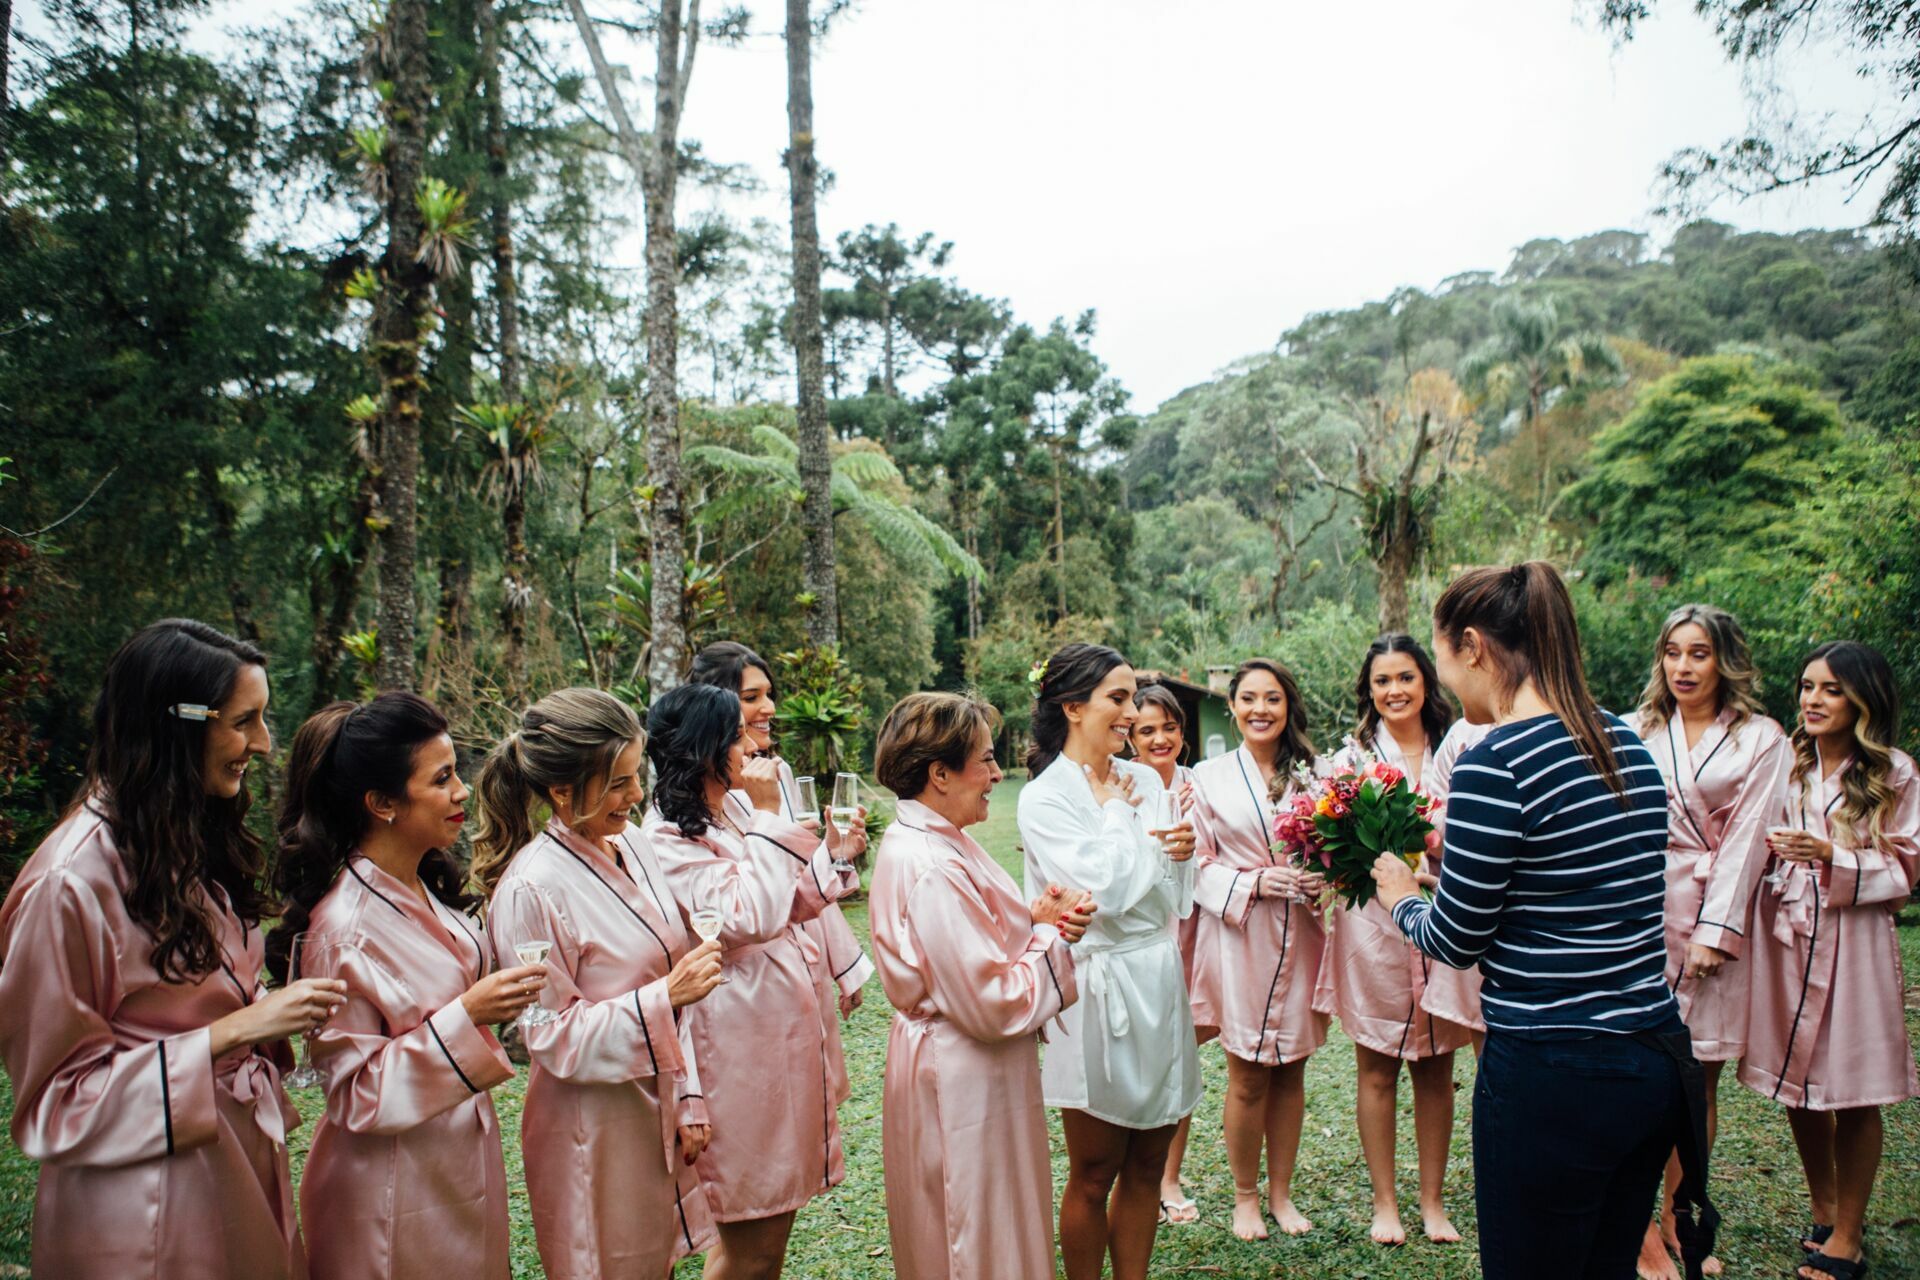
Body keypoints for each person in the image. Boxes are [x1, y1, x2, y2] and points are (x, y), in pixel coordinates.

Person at [1371, 562, 1703, 1280]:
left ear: (1472, 646)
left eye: (1443, 659)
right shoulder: (1628, 746)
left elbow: (1454, 940)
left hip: (1554, 1069)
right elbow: (1579, 884)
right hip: (1653, 1057)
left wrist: (1398, 892)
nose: (1448, 681)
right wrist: (1456, 864)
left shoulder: (1497, 761)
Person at [0, 619, 345, 1278]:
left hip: (232, 1172)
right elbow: (55, 1104)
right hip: (143, 1211)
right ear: (175, 723)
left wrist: (272, 1011)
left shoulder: (184, 845)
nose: (265, 744)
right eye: (244, 722)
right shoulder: (66, 885)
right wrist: (231, 1033)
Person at [272, 692, 545, 1280]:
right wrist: (466, 1014)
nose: (462, 792)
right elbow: (352, 1093)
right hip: (387, 1192)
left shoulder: (423, 886)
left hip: (458, 1161)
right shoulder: (340, 929)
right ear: (382, 803)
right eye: (442, 779)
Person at [472, 688, 725, 1279]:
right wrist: (665, 996)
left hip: (652, 1107)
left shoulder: (632, 843)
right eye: (617, 783)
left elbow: (667, 975)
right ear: (562, 791)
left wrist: (687, 1093)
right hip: (588, 1131)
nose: (637, 796)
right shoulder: (532, 889)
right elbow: (551, 1037)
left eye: (637, 777)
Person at [869, 691, 1093, 1279]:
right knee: (972, 1226)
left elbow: (967, 945)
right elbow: (992, 1001)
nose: (999, 775)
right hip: (961, 1071)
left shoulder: (937, 838)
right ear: (939, 774)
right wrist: (1055, 940)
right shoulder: (932, 863)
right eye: (987, 761)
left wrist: (1031, 920)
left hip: (965, 1062)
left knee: (989, 1215)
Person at [643, 683, 859, 1280]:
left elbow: (783, 902)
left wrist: (832, 860)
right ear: (704, 748)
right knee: (750, 1244)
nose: (752, 745)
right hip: (731, 1047)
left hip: (776, 1034)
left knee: (771, 1233)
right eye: (737, 735)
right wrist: (770, 814)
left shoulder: (731, 810)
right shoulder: (666, 838)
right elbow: (747, 916)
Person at [1018, 643, 1200, 1280]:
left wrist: (1181, 856)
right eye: (1117, 699)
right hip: (1097, 987)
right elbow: (1106, 892)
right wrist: (1120, 815)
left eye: (1132, 696)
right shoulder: (1045, 799)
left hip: (1157, 970)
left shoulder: (1150, 779)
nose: (1132, 713)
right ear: (1073, 707)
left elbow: (1174, 900)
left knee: (1150, 1163)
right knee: (1095, 1171)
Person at [1742, 642, 1918, 1280]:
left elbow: (1904, 869)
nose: (1812, 700)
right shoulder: (1785, 765)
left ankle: (1849, 1234)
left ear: (1862, 699)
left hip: (1856, 941)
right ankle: (1825, 1207)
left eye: (1831, 690)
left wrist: (1830, 855)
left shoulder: (1894, 772)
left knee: (1854, 1087)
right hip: (1788, 932)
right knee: (1801, 1085)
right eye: (1807, 687)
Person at [1631, 605, 1792, 1280]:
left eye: (1699, 653)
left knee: (1697, 1081)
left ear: (1725, 659)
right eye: (1673, 652)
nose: (1683, 667)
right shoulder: (1638, 728)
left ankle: (1680, 1212)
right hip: (1637, 909)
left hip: (1713, 913)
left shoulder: (1763, 738)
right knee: (1637, 1074)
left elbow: (1751, 837)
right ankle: (1637, 1227)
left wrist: (1715, 931)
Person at [1320, 634, 1469, 1246]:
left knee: (1437, 1068)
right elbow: (1329, 854)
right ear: (1369, 690)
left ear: (1426, 681)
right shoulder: (1349, 761)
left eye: (1405, 677)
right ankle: (1387, 1203)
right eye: (1382, 681)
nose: (1394, 691)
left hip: (1445, 918)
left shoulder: (1461, 747)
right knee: (1377, 1068)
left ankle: (1433, 1203)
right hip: (1373, 930)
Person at [687, 641, 874, 1110]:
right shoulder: (698, 804)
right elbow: (749, 902)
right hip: (744, 983)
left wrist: (841, 963)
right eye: (751, 698)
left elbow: (795, 879)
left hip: (797, 956)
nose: (768, 708)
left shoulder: (778, 773)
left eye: (768, 694)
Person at [1188, 658, 1328, 1241]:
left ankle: (1281, 1193)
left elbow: (1336, 853)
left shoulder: (1318, 775)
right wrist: (1251, 882)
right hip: (1241, 936)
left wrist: (1327, 875)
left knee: (1292, 1069)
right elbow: (1194, 864)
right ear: (1233, 706)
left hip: (1302, 932)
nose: (1260, 709)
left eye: (1272, 698)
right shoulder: (1207, 776)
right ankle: (1246, 1196)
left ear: (1288, 705)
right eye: (1249, 698)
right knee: (1246, 1073)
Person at [1127, 683, 1214, 1227]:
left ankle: (1167, 1174)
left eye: (1170, 727)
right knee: (1137, 1056)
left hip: (1196, 933)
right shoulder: (1120, 788)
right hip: (1141, 937)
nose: (1161, 739)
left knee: (1180, 1059)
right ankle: (1129, 1166)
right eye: (1147, 730)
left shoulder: (1200, 785)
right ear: (1128, 737)